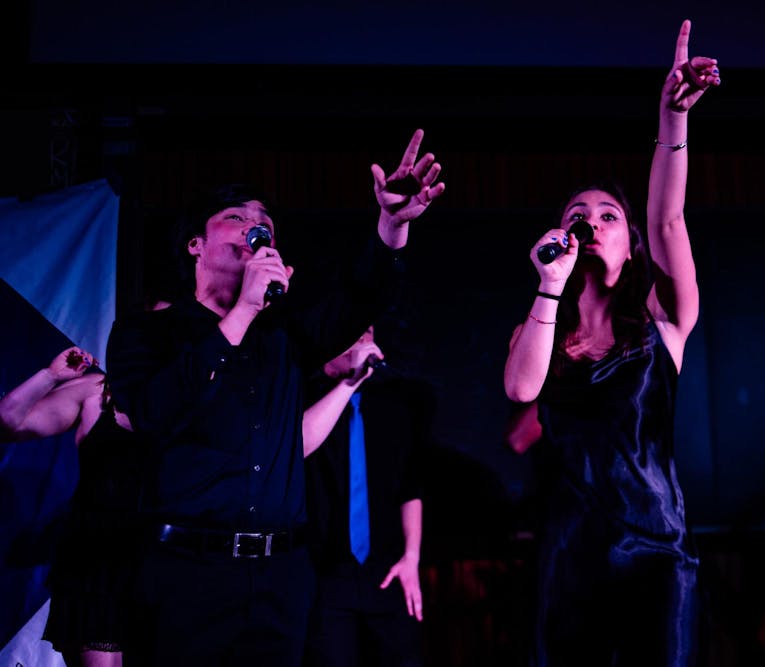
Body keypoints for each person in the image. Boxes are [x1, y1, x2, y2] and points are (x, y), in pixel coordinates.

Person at [105, 129, 444, 666]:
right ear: (195, 243)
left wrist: (392, 224)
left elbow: (358, 301)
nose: (256, 225)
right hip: (186, 573)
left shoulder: (284, 335)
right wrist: (239, 314)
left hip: (280, 577)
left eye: (264, 221)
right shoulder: (147, 334)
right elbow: (149, 413)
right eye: (236, 217)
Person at [503, 19, 718, 666]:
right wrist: (549, 286)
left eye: (606, 216)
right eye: (578, 215)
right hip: (567, 553)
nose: (591, 223)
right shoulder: (538, 325)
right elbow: (520, 388)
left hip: (657, 552)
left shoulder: (664, 318)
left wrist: (671, 117)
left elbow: (669, 216)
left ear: (630, 240)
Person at [1, 345, 142, 667]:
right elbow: (8, 421)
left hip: (171, 564)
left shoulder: (201, 393)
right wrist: (50, 376)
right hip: (97, 564)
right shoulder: (96, 391)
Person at [302, 325, 432, 667]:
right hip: (324, 573)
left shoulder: (397, 400)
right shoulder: (303, 393)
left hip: (387, 570)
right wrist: (351, 381)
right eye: (355, 334)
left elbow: (410, 485)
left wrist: (411, 556)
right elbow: (296, 448)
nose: (365, 341)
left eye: (369, 333)